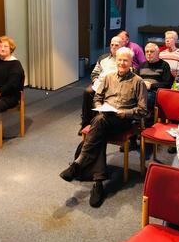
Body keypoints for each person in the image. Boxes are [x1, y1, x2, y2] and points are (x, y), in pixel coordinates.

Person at [59, 47, 147, 208]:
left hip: (122, 121)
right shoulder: (107, 77)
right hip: (105, 117)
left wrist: (125, 113)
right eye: (119, 59)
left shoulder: (138, 82)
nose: (122, 63)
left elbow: (142, 111)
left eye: (125, 60)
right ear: (116, 60)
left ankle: (78, 163)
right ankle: (98, 184)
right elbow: (97, 98)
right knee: (100, 125)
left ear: (131, 63)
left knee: (98, 122)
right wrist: (99, 106)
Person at [80, 36, 122, 130]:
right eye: (112, 45)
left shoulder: (123, 59)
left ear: (122, 46)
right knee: (88, 92)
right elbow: (94, 73)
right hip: (100, 83)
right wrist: (95, 81)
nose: (114, 47)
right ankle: (85, 123)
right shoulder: (103, 58)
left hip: (115, 85)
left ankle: (99, 123)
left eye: (117, 45)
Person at [137, 43, 173, 111]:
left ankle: (145, 119)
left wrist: (151, 85)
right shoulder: (141, 65)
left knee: (147, 98)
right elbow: (135, 80)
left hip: (155, 92)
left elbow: (167, 84)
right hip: (141, 90)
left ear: (158, 53)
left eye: (152, 51)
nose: (149, 53)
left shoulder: (164, 65)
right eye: (147, 51)